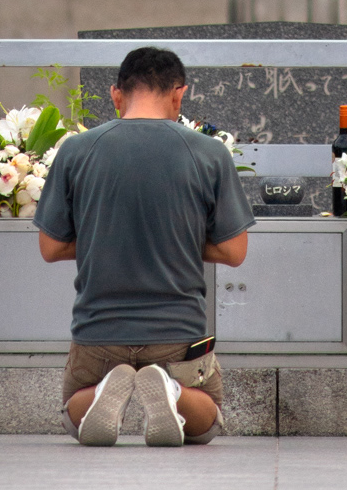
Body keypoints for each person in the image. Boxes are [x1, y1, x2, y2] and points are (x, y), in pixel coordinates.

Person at [35, 43, 253, 446]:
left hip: (97, 331)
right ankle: (173, 390)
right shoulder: (208, 152)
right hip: (177, 333)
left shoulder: (77, 150)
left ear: (116, 95)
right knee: (207, 421)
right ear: (178, 95)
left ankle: (102, 391)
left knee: (72, 414)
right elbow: (234, 251)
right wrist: (177, 239)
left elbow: (50, 247)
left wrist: (108, 236)